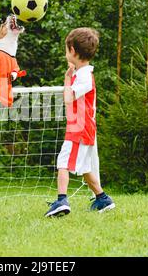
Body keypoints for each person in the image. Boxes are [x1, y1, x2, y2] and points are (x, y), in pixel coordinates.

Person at [45, 27, 115, 217]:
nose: (66, 53)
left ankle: (61, 201)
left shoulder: (83, 75)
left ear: (73, 51)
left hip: (80, 129)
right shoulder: (81, 73)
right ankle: (102, 199)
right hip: (81, 127)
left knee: (63, 163)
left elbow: (69, 98)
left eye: (67, 49)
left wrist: (67, 79)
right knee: (84, 168)